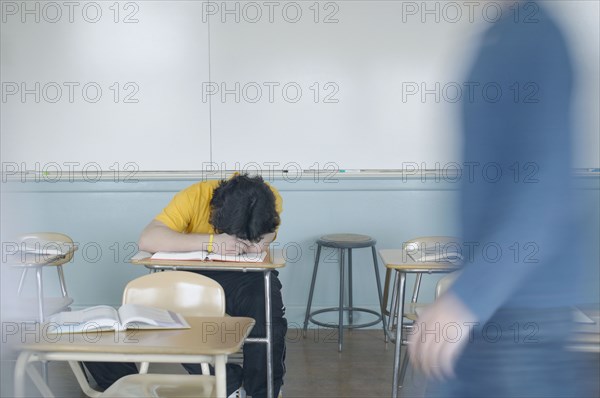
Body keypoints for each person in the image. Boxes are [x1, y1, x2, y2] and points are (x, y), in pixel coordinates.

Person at [408, 2, 588, 397]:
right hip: (489, 310)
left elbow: (544, 192)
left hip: (523, 318)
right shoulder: (496, 35)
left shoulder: (535, 35)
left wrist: (467, 299)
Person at [85, 173, 286, 398]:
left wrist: (259, 243)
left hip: (246, 274)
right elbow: (148, 239)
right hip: (195, 271)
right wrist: (212, 242)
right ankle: (228, 384)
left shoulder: (269, 197)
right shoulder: (195, 196)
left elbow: (269, 232)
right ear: (216, 212)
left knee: (267, 311)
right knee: (176, 317)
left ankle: (263, 391)